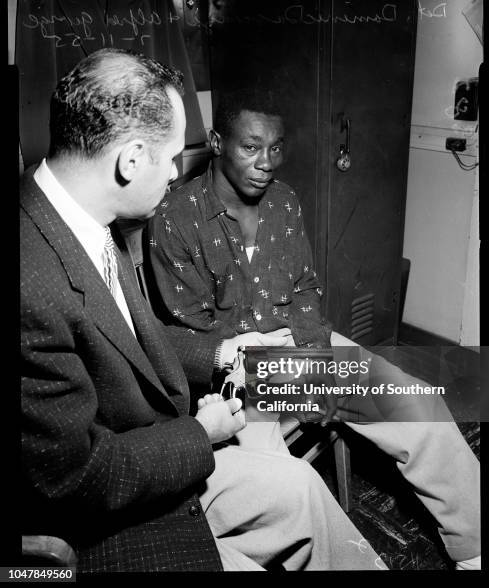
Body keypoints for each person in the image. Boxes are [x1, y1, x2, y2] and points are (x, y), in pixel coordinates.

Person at [21, 48, 387, 573]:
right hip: (109, 525)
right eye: (170, 158)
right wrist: (204, 431)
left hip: (159, 442)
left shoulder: (90, 224)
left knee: (306, 484)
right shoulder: (31, 281)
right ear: (131, 159)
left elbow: (134, 342)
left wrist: (225, 353)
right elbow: (74, 481)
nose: (174, 174)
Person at [146, 88, 481, 570]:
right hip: (235, 374)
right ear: (218, 142)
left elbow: (304, 289)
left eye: (276, 147)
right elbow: (195, 335)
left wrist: (314, 362)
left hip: (300, 345)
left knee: (418, 403)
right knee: (282, 488)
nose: (266, 162)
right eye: (251, 146)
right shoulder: (174, 219)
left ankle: (475, 547)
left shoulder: (283, 202)